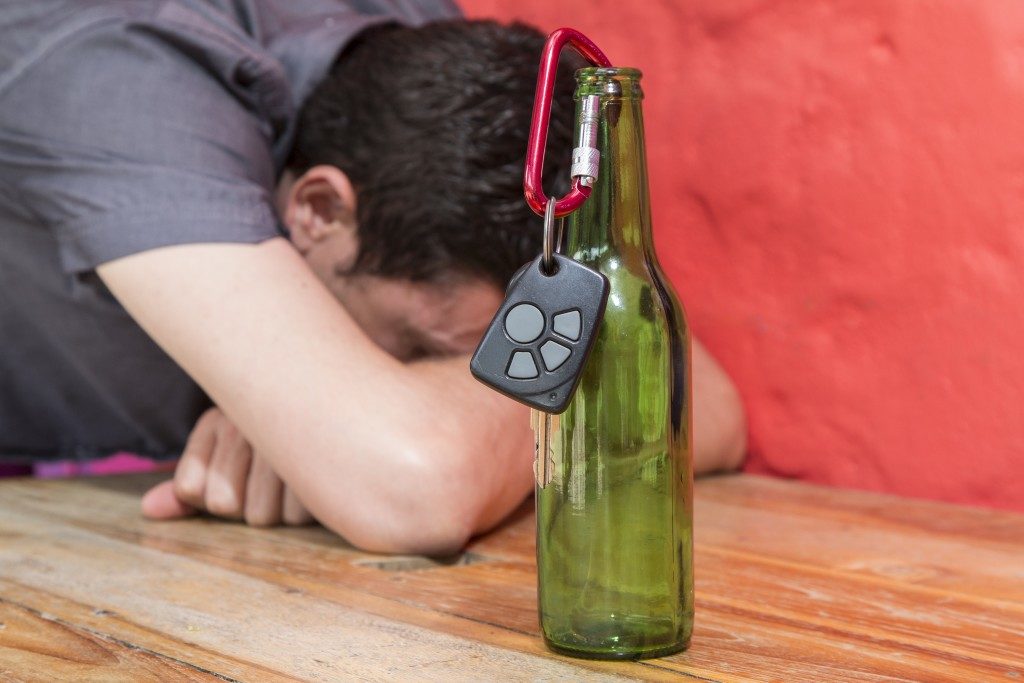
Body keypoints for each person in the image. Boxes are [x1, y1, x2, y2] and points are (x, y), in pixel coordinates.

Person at [0, 1, 746, 553]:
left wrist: (329, 420)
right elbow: (415, 479)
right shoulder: (122, 86)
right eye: (424, 353)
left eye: (495, 355)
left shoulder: (440, 77)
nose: (476, 378)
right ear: (318, 210)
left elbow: (705, 396)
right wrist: (366, 425)